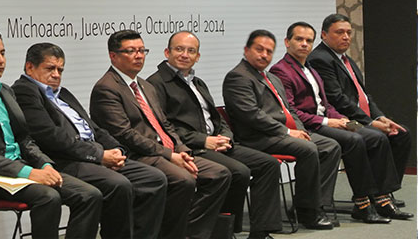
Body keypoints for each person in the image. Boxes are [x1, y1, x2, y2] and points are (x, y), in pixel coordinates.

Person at [0, 29, 101, 239]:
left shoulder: (5, 91)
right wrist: (28, 173)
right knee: (48, 197)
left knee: (90, 195)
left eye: (3, 53)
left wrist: (44, 164)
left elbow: (24, 138)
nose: (0, 60)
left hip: (21, 167)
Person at [12, 42, 167, 239]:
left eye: (60, 70)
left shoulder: (63, 93)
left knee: (154, 178)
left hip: (92, 154)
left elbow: (93, 128)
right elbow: (49, 135)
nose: (56, 75)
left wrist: (117, 150)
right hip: (65, 159)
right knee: (118, 184)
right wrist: (99, 156)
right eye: (50, 68)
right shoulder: (24, 91)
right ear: (29, 67)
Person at [90, 30, 230, 239]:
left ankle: (188, 234)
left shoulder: (144, 85)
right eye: (131, 51)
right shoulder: (106, 88)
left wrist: (182, 150)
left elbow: (165, 124)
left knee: (218, 174)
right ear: (113, 56)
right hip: (138, 155)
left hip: (165, 151)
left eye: (142, 50)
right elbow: (125, 134)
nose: (139, 56)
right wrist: (169, 155)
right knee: (183, 180)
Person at [271, 21, 411, 222]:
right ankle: (363, 202)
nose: (304, 44)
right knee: (355, 140)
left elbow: (326, 103)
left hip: (328, 120)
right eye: (299, 39)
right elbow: (292, 112)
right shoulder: (281, 71)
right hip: (311, 125)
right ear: (287, 42)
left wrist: (341, 119)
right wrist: (328, 121)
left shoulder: (310, 68)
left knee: (376, 137)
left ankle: (381, 197)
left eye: (308, 41)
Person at [147, 31, 282, 239]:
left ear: (197, 56)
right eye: (179, 49)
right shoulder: (156, 84)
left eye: (191, 51)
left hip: (217, 143)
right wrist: (204, 141)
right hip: (191, 147)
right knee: (238, 172)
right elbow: (165, 127)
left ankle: (259, 232)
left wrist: (225, 137)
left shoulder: (197, 82)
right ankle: (218, 232)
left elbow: (217, 118)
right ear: (167, 52)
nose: (185, 54)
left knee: (268, 164)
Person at [222, 29, 341, 230]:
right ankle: (307, 211)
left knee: (331, 146)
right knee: (308, 149)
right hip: (258, 137)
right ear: (246, 50)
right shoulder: (238, 77)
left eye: (269, 51)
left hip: (284, 134)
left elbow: (290, 110)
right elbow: (251, 115)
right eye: (259, 49)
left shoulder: (271, 77)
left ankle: (317, 204)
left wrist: (301, 130)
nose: (264, 55)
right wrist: (287, 132)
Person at [308, 13, 412, 212]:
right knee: (376, 137)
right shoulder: (320, 59)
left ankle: (383, 191)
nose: (346, 37)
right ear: (324, 35)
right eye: (339, 32)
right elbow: (338, 99)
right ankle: (379, 197)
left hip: (361, 117)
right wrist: (371, 123)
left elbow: (364, 95)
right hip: (342, 119)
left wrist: (380, 117)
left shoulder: (345, 59)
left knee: (401, 134)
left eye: (349, 32)